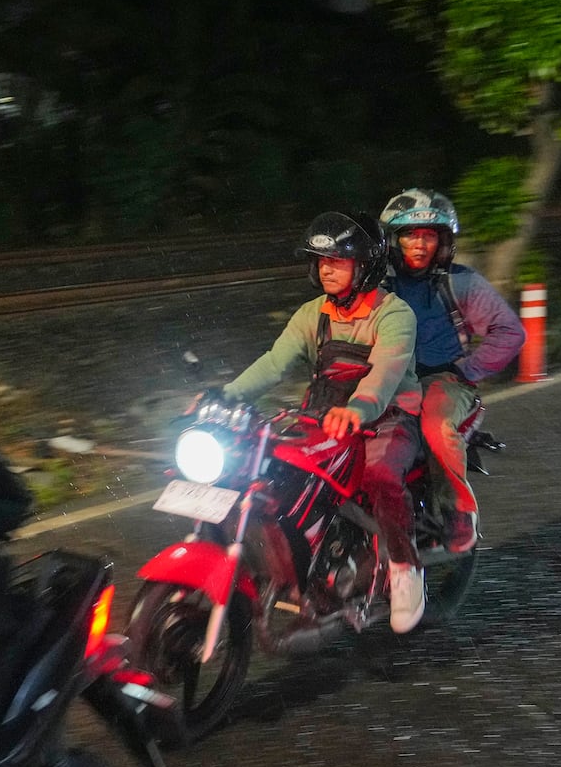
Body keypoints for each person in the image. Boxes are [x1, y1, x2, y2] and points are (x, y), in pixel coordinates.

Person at [211, 212, 428, 634]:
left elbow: (384, 373)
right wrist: (225, 395)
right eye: (321, 260)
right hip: (324, 415)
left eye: (339, 260)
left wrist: (359, 408)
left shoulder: (394, 314)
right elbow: (274, 364)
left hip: (387, 417)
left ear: (365, 267)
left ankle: (405, 570)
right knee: (267, 466)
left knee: (381, 475)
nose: (327, 268)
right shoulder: (313, 313)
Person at [379, 189, 525, 553]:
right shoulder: (378, 285)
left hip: (442, 382)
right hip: (385, 381)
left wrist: (465, 369)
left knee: (436, 425)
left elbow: (510, 332)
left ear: (442, 241)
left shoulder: (460, 283)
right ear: (394, 240)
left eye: (429, 236)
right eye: (410, 235)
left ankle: (460, 512)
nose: (419, 244)